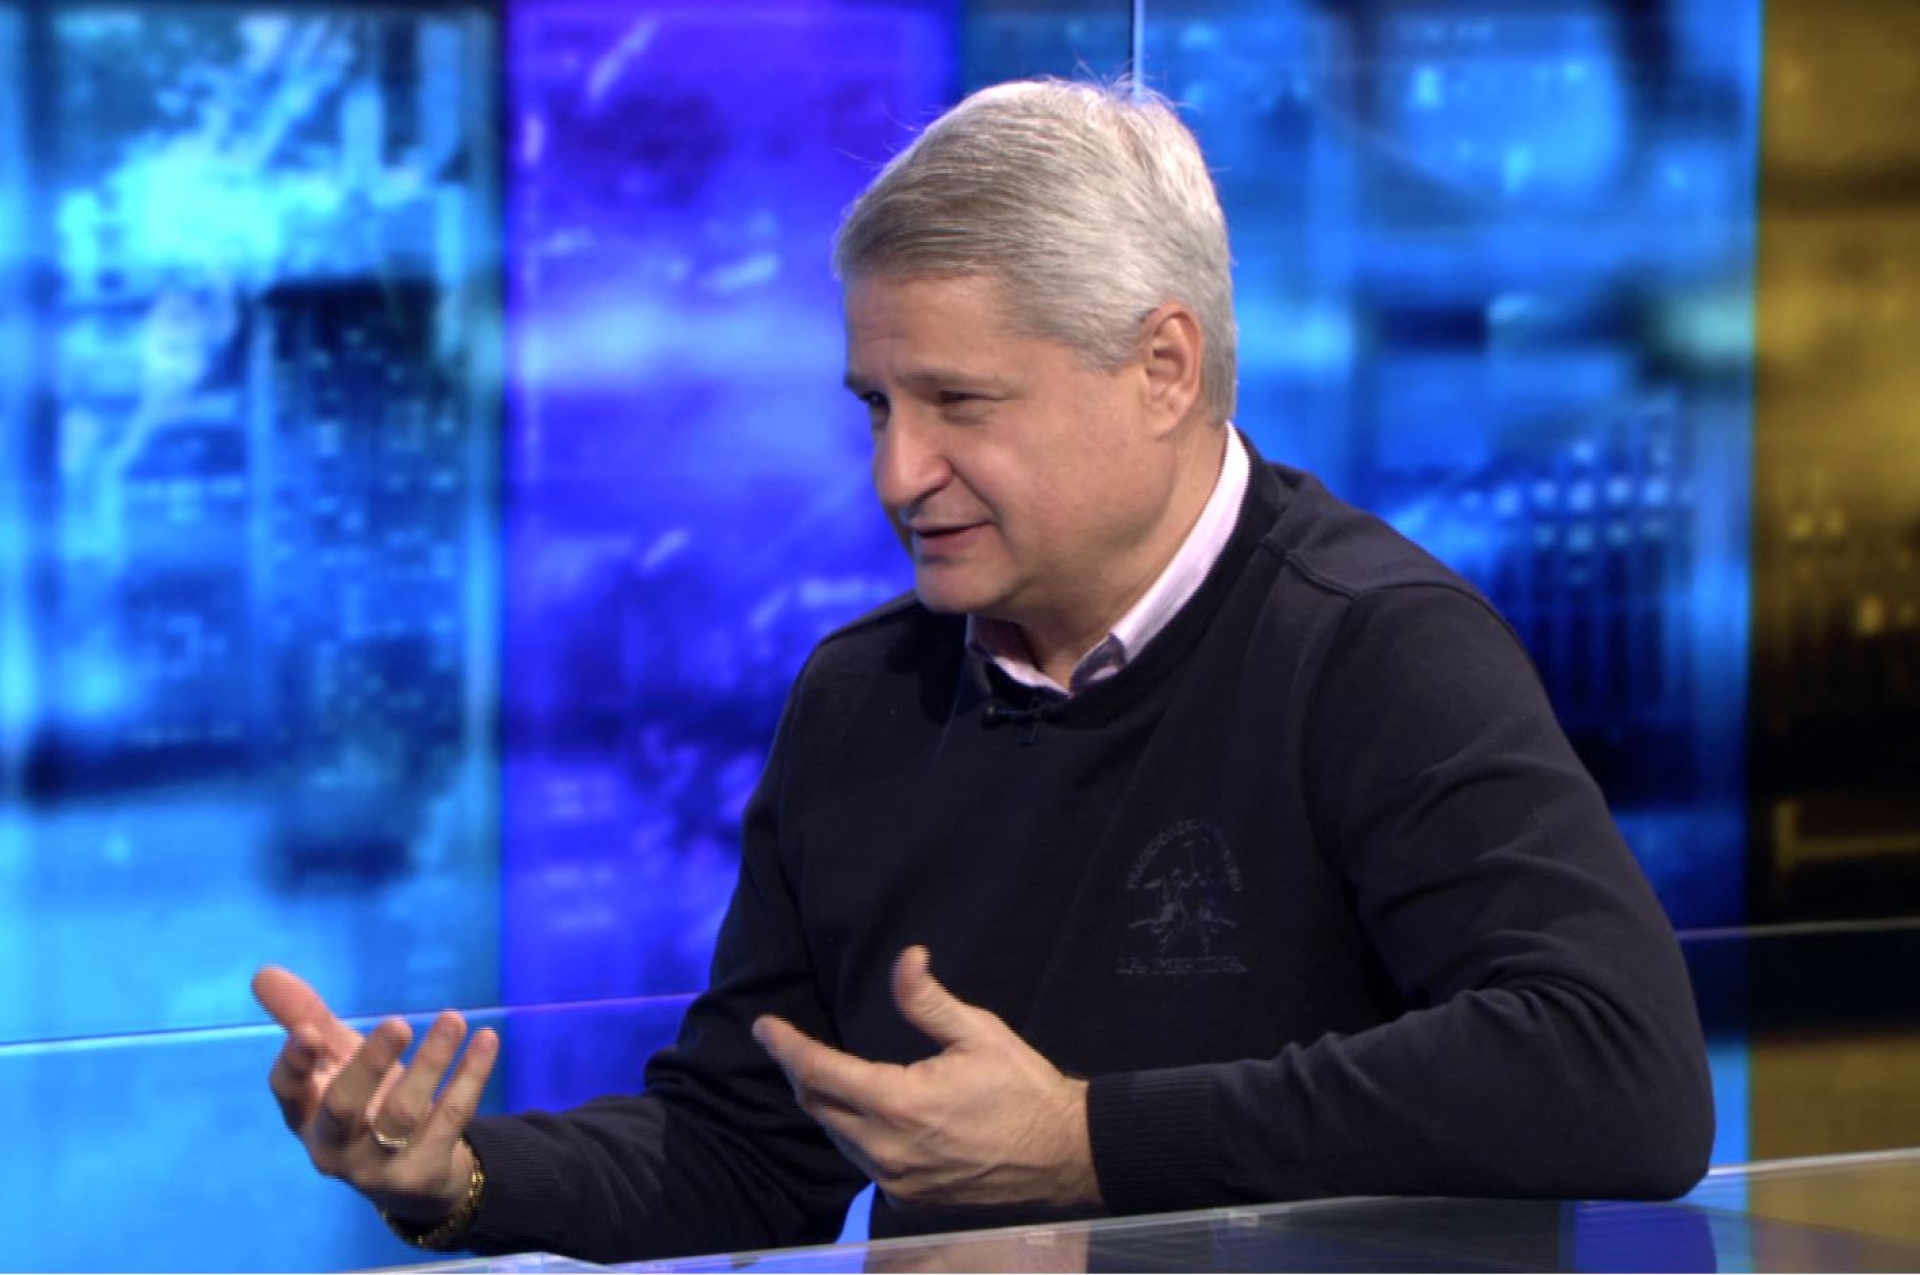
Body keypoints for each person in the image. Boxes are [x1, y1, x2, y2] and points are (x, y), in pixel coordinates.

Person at [253, 77, 1714, 1264]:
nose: (899, 474)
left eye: (959, 402)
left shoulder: (1375, 646)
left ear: (1163, 370)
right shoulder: (862, 699)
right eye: (876, 407)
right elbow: (746, 1150)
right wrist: (458, 1177)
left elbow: (1617, 1076)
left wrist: (1084, 1141)